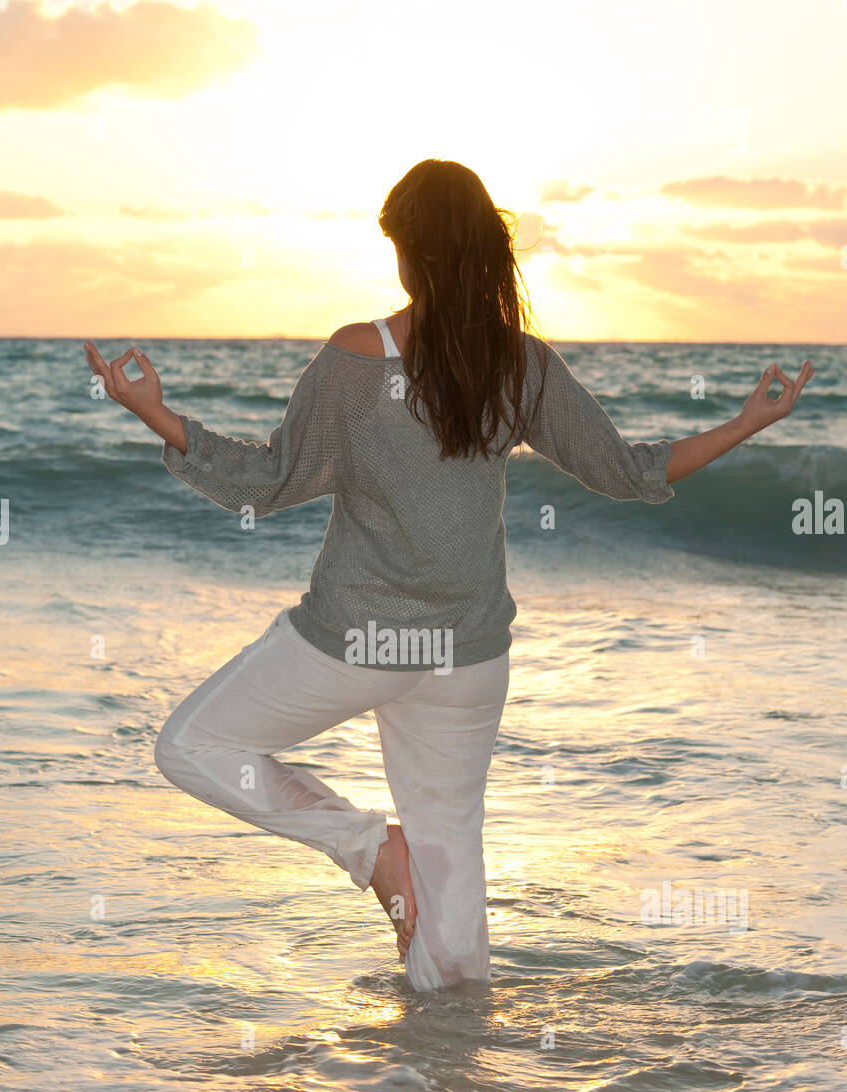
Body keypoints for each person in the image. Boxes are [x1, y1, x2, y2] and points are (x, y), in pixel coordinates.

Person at [84, 158, 813, 992]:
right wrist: (748, 423)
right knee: (456, 914)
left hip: (354, 638)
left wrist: (154, 414)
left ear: (410, 255)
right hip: (466, 656)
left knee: (192, 745)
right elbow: (625, 469)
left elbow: (269, 482)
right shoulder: (518, 365)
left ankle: (369, 853)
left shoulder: (359, 360)